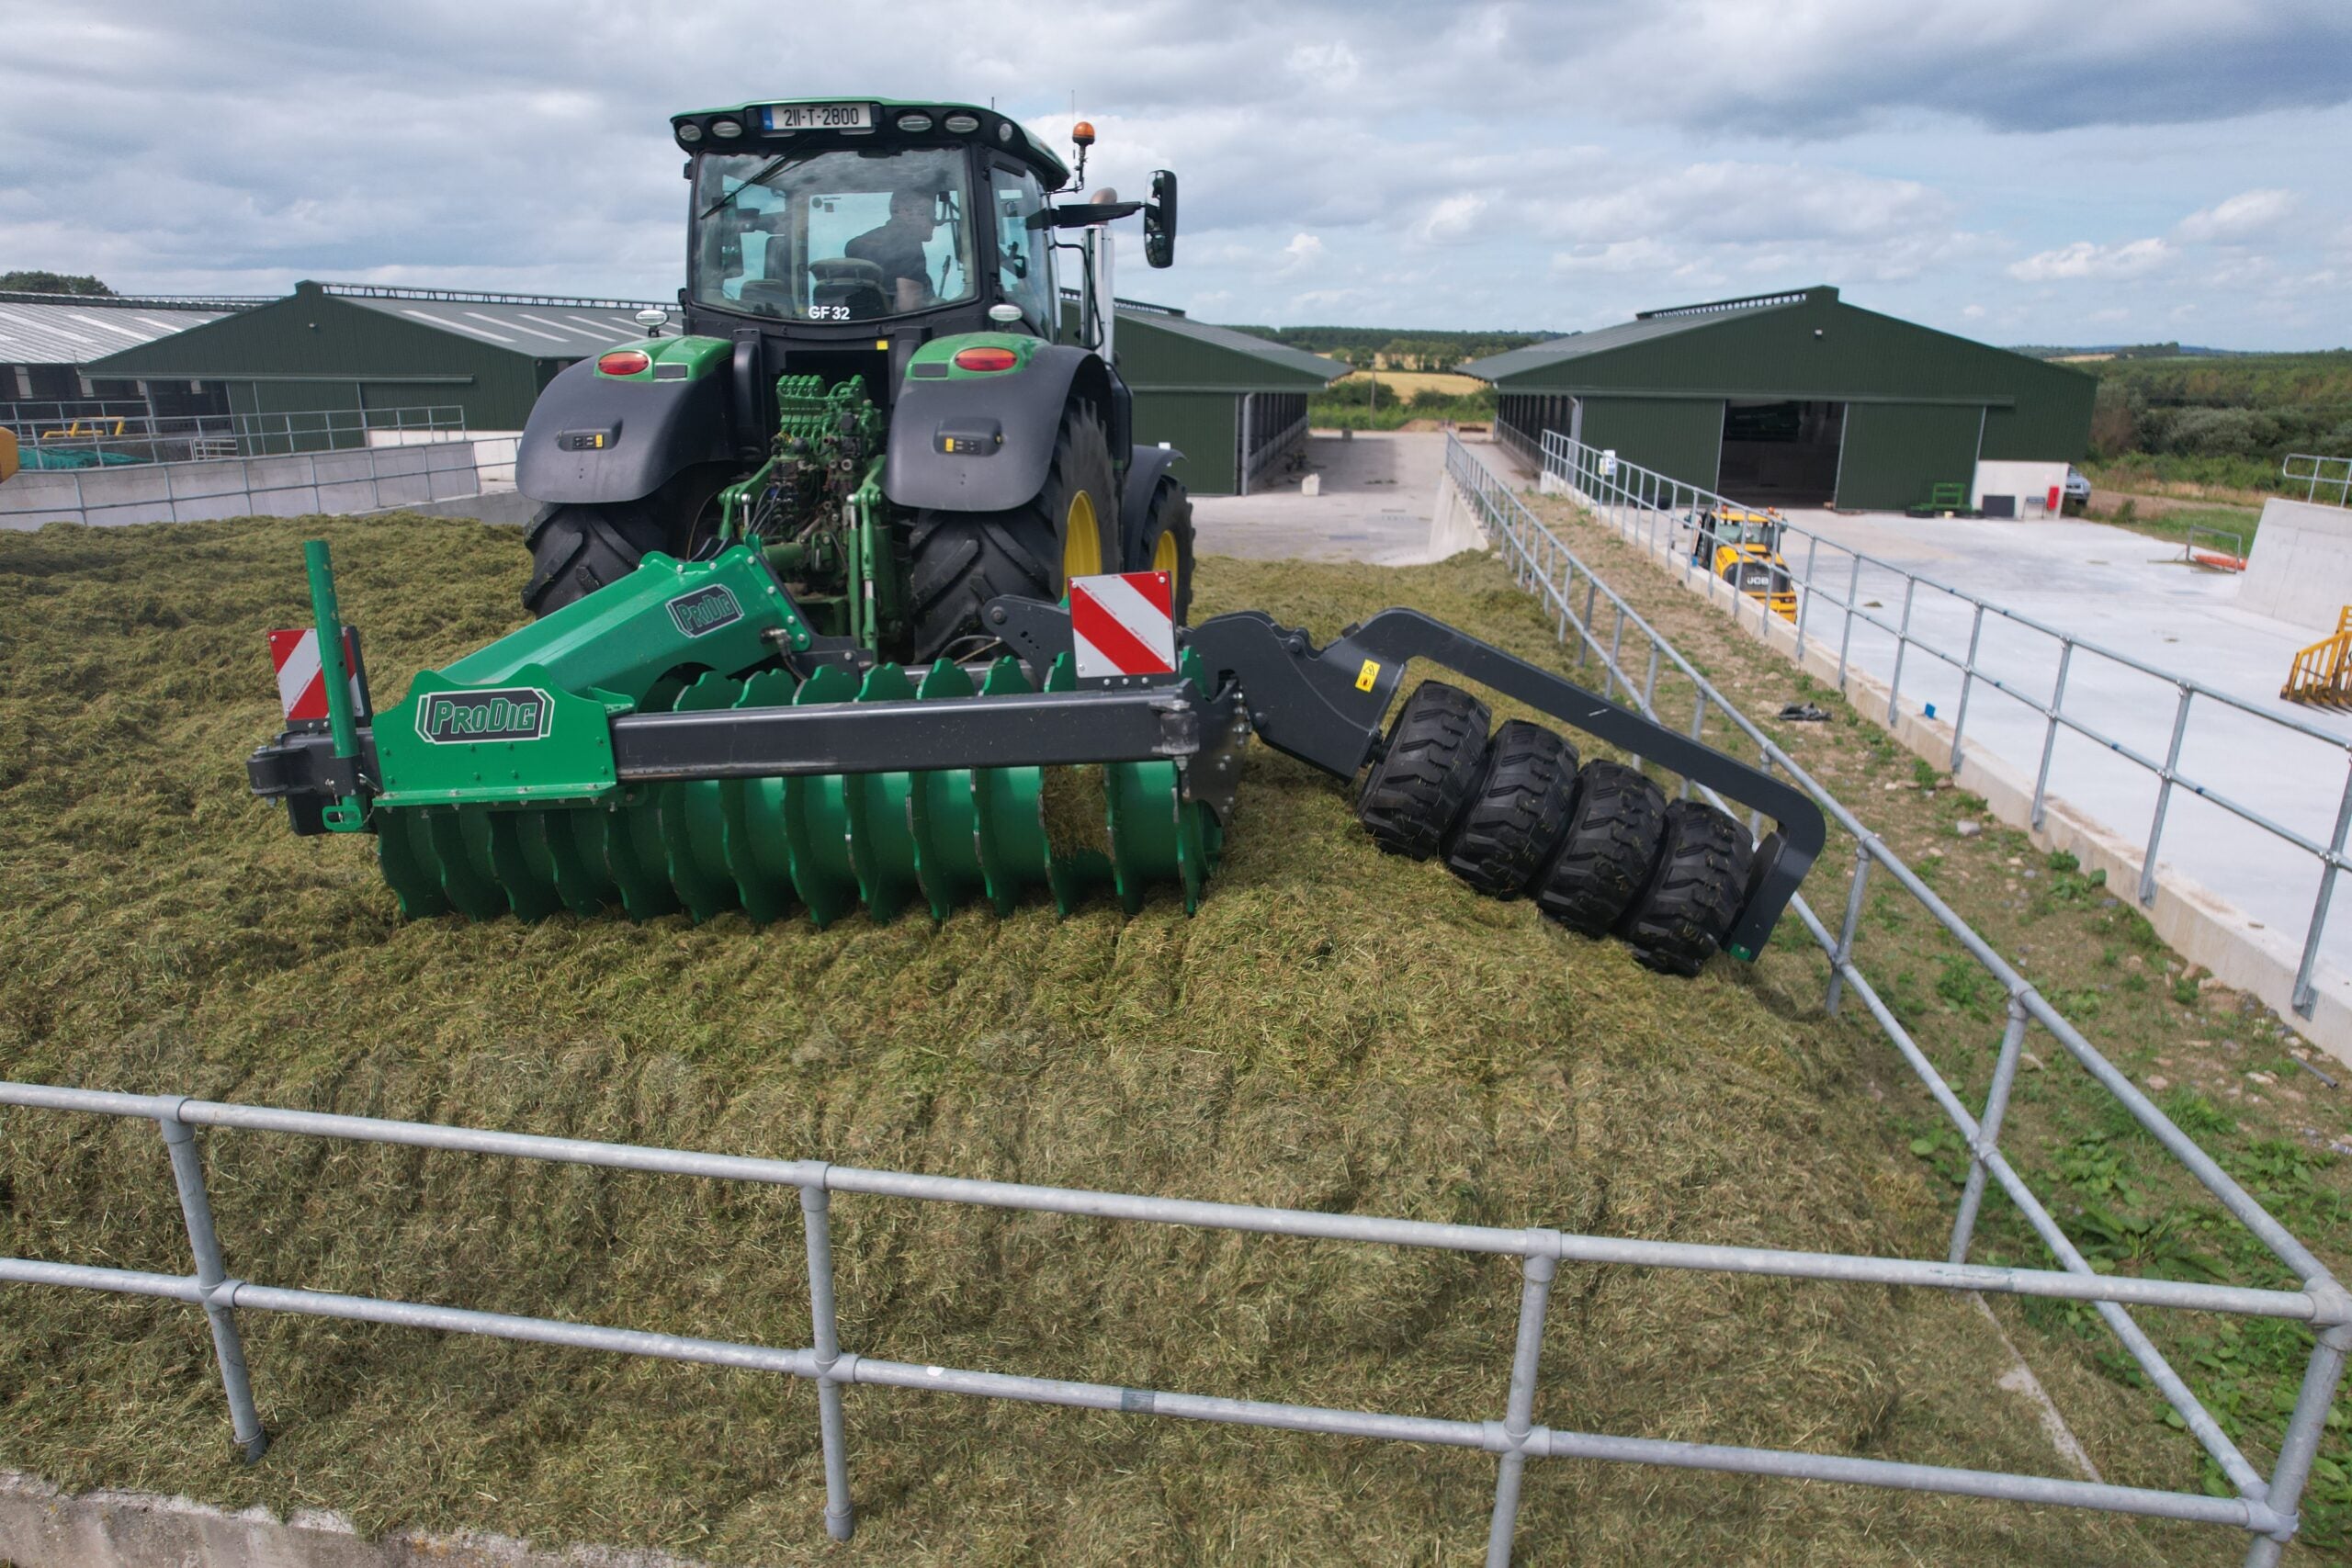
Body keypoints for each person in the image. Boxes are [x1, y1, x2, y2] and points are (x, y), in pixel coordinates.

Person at [844, 187, 939, 312]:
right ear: (906, 212)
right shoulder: (908, 244)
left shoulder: (855, 244)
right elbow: (909, 307)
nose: (935, 223)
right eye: (932, 216)